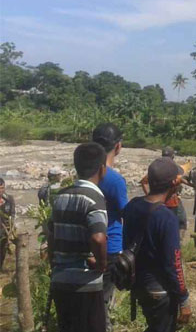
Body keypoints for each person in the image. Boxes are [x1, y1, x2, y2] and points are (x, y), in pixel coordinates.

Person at [123, 157, 191, 332]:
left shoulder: (133, 206)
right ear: (174, 183)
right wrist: (183, 298)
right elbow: (173, 264)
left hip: (139, 284)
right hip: (160, 290)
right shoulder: (167, 218)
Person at [47, 142, 108, 332]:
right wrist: (102, 264)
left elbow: (51, 235)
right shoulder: (94, 199)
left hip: (61, 280)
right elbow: (98, 238)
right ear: (102, 169)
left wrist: (55, 263)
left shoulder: (60, 197)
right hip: (85, 283)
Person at [92, 123, 129, 332]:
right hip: (111, 245)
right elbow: (125, 212)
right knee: (104, 302)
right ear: (118, 146)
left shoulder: (85, 173)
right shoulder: (114, 180)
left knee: (93, 300)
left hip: (88, 242)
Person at [141, 147, 188, 239]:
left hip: (156, 201)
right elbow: (180, 180)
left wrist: (148, 195)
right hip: (172, 201)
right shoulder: (175, 168)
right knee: (180, 222)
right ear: (173, 156)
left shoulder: (157, 167)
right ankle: (178, 242)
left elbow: (143, 182)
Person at [0, 178, 16, 271]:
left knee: (2, 252)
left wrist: (11, 228)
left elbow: (12, 214)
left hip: (5, 230)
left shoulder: (9, 199)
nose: (0, 191)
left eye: (2, 188)